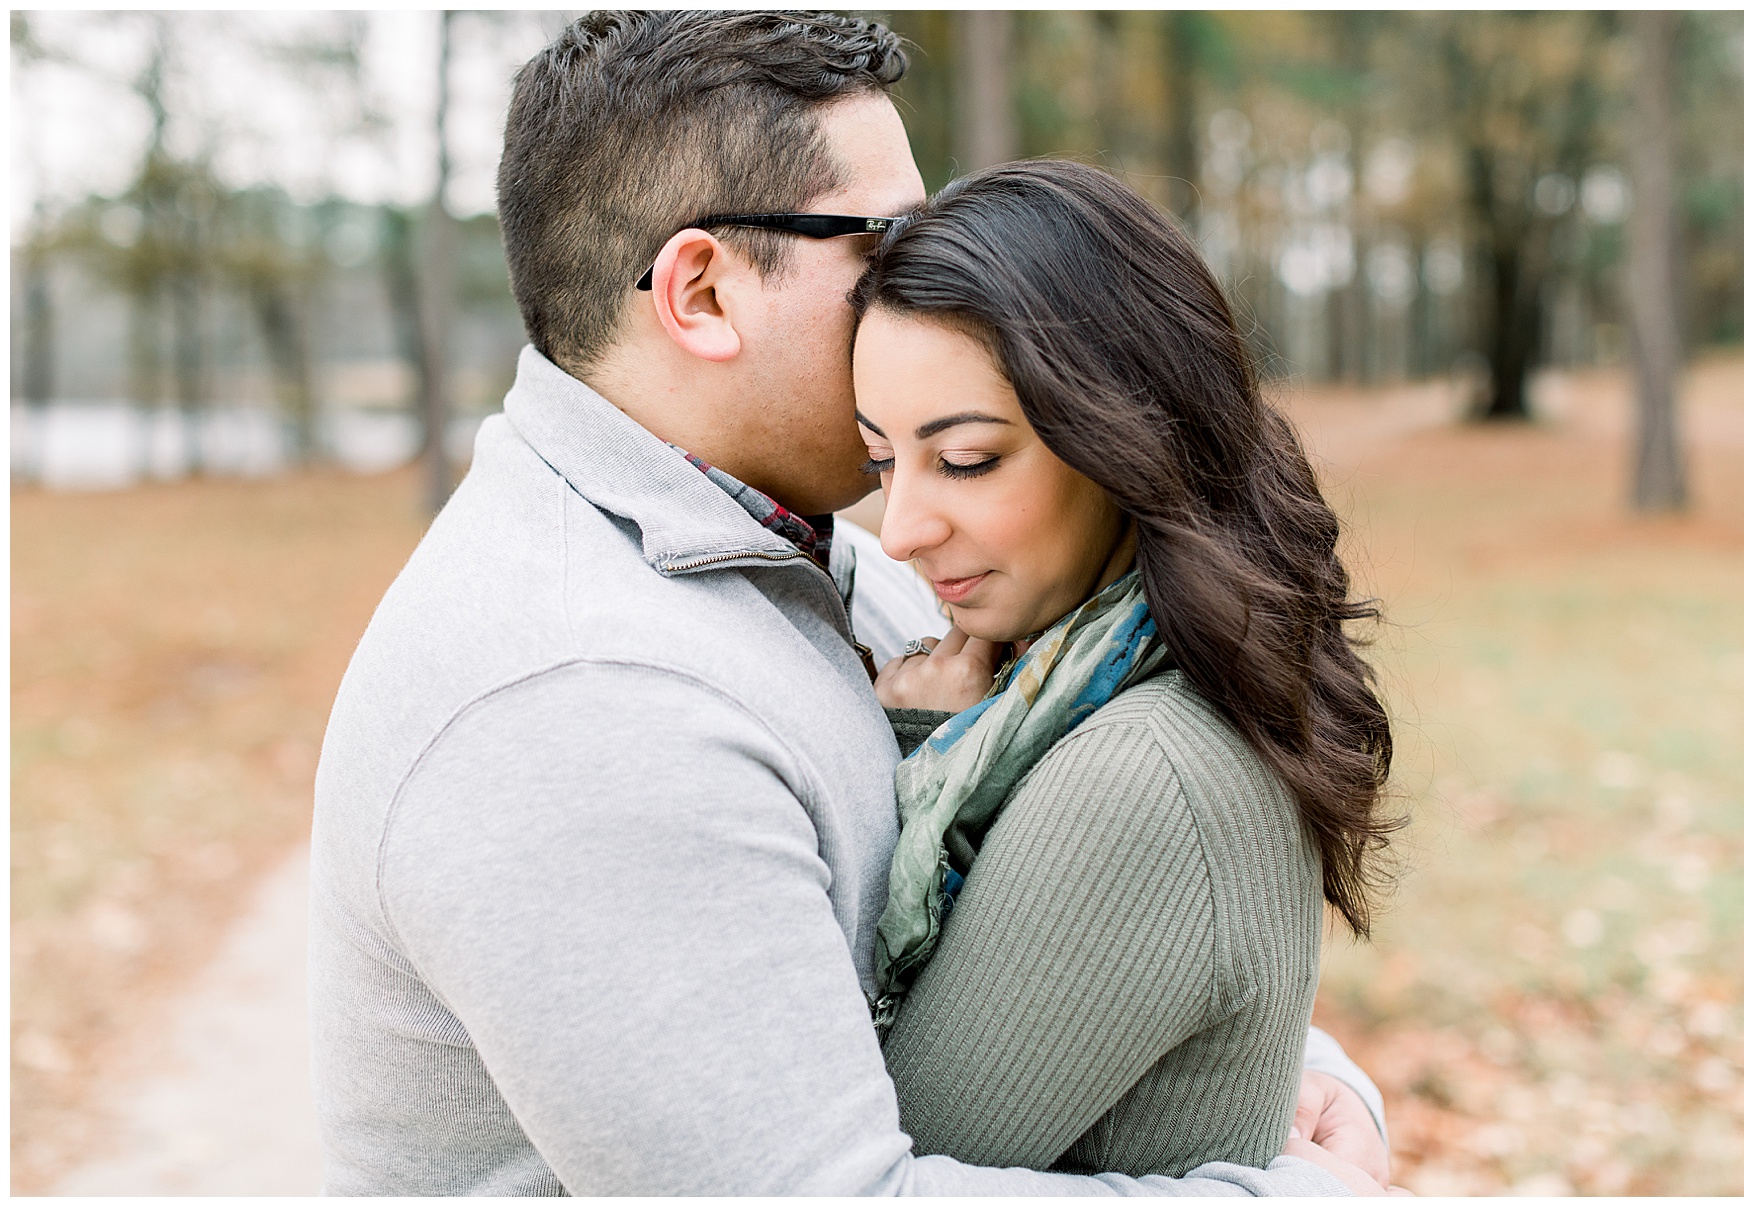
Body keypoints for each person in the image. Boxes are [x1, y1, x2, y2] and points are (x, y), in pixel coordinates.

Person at [308, 10, 1394, 1195]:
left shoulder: (796, 554)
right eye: (885, 243)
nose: (924, 279)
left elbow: (1060, 926)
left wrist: (1284, 1065)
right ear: (703, 292)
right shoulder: (583, 698)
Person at [845, 159, 1401, 1178]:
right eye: (881, 461)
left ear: (1124, 435)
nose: (902, 529)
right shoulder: (1104, 678)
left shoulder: (1140, 774)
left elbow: (862, 1176)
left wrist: (921, 740)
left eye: (965, 459)